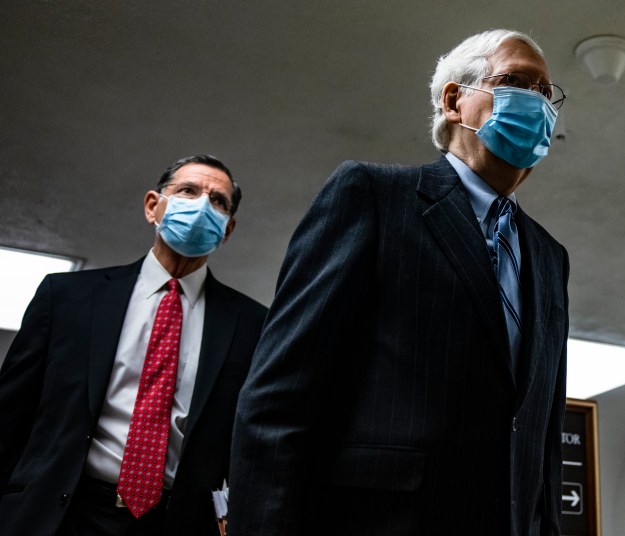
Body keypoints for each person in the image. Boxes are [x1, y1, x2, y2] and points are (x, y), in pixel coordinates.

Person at [230, 29, 569, 535]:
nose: (537, 102)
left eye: (546, 93)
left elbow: (541, 431)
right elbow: (279, 397)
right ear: (454, 100)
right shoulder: (372, 196)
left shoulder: (549, 256)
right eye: (516, 82)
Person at [0, 155, 268, 535]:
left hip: (176, 521)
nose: (202, 206)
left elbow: (252, 442)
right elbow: (10, 412)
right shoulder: (67, 297)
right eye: (188, 191)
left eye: (218, 201)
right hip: (59, 513)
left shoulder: (253, 325)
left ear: (228, 229)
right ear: (152, 206)